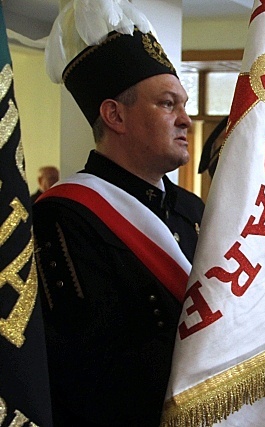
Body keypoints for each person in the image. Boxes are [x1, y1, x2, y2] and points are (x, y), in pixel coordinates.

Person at [32, 3, 204, 425]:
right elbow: (81, 369)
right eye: (168, 105)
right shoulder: (64, 216)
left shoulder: (193, 208)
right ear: (114, 115)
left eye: (183, 104)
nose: (186, 120)